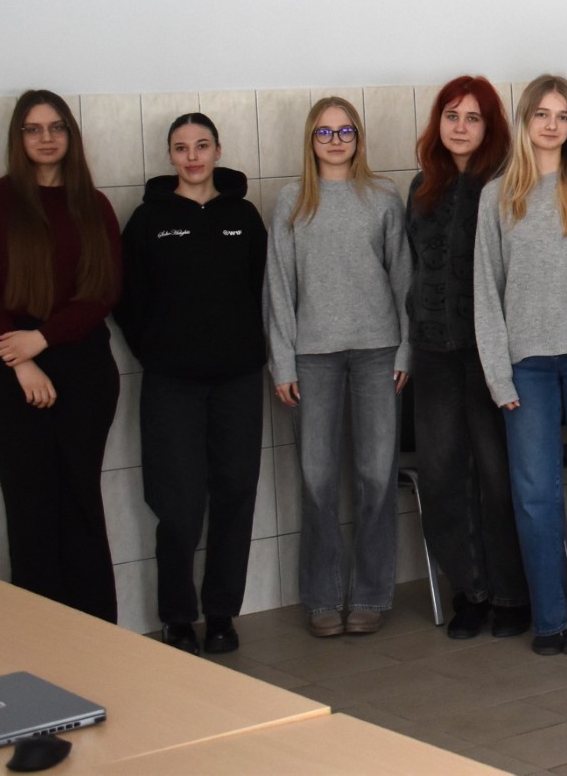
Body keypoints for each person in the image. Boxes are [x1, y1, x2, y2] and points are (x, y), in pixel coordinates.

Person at [473, 74, 567, 656]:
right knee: (535, 492)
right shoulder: (498, 196)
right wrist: (498, 373)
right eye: (542, 113)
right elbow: (485, 290)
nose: (552, 125)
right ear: (525, 121)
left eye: (563, 116)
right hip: (525, 367)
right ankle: (549, 616)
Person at [0, 90, 122, 622]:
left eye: (56, 127)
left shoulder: (93, 204)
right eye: (33, 128)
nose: (46, 138)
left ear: (70, 134)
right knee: (30, 506)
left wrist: (44, 340)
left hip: (84, 370)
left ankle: (97, 634)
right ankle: (42, 641)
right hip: (8, 370)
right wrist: (22, 359)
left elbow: (103, 292)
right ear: (18, 137)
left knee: (80, 500)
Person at [117, 113, 268, 653]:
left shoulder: (243, 217)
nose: (193, 157)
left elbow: (260, 289)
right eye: (181, 148)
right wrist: (158, 351)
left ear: (218, 151)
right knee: (177, 504)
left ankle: (222, 614)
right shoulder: (148, 220)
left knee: (235, 493)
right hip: (172, 384)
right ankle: (178, 617)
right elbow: (126, 298)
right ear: (170, 156)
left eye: (202, 146)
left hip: (238, 381)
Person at [265, 95, 412, 638]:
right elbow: (278, 287)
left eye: (344, 131)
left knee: (376, 477)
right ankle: (323, 597)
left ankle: (371, 594)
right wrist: (283, 361)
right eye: (324, 132)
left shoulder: (383, 197)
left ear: (358, 137)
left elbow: (403, 279)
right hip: (313, 357)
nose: (334, 141)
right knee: (317, 479)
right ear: (310, 139)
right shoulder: (292, 201)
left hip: (378, 353)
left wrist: (405, 350)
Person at [406, 76, 530, 640]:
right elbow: (409, 271)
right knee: (440, 477)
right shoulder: (421, 187)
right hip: (433, 355)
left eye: (472, 117)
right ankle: (471, 592)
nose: (460, 127)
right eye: (451, 116)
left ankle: (512, 594)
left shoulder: (506, 186)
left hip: (491, 356)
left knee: (498, 477)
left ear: (490, 127)